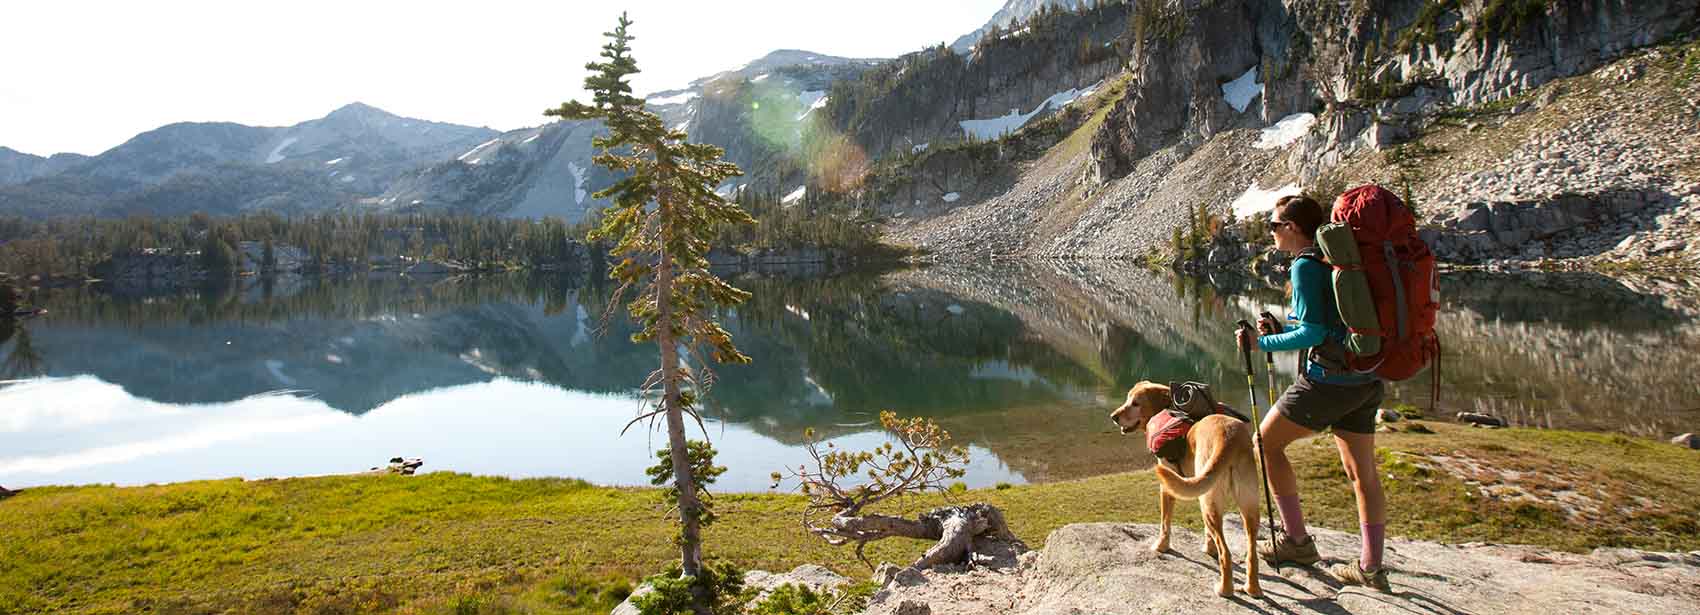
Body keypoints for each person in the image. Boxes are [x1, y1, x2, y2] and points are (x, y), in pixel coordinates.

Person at [1235, 194, 1390, 592]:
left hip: (1328, 380)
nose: (1270, 232)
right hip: (1365, 376)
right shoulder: (1333, 257)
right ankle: (1372, 567)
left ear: (1292, 228)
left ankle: (1297, 542)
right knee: (1363, 474)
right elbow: (1329, 320)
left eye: (1274, 226)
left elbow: (1315, 332)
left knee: (1265, 445)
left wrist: (1258, 344)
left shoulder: (1305, 265)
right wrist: (1281, 329)